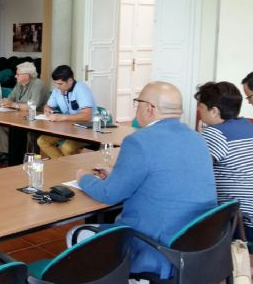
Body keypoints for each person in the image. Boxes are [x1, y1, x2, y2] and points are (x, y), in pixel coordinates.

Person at [73, 81, 217, 279]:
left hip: (153, 245)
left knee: (76, 234)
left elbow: (108, 194)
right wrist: (118, 173)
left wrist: (83, 178)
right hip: (194, 242)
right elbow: (165, 175)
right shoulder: (198, 138)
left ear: (149, 108)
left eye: (137, 102)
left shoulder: (139, 142)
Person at [195, 81, 253, 239]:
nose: (199, 112)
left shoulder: (215, 134)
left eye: (200, 107)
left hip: (241, 221)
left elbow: (194, 173)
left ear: (214, 111)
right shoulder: (248, 126)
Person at [0, 62, 49, 164]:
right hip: (21, 115)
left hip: (36, 118)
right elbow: (10, 98)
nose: (15, 76)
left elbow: (33, 106)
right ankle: (7, 154)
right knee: (3, 124)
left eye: (18, 74)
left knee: (25, 129)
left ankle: (28, 156)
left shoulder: (38, 84)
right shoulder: (19, 84)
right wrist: (5, 102)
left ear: (27, 75)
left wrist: (14, 105)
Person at [38, 65, 97, 159]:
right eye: (56, 83)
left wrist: (62, 117)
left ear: (70, 80)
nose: (57, 86)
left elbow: (87, 116)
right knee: (42, 141)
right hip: (68, 127)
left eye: (60, 84)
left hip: (87, 129)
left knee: (67, 147)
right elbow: (48, 106)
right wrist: (48, 110)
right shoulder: (57, 90)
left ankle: (67, 169)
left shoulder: (81, 89)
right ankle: (63, 166)